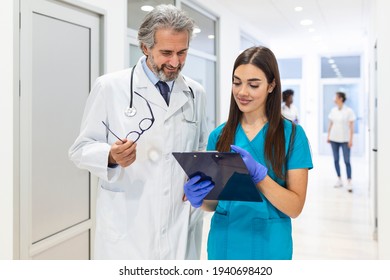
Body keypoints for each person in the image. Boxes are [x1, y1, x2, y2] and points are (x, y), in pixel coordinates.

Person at [68, 4, 208, 260]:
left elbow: (200, 149)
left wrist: (200, 181)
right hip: (128, 227)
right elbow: (80, 149)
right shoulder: (110, 87)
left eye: (182, 52)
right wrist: (110, 156)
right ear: (145, 48)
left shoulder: (195, 93)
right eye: (166, 52)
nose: (175, 62)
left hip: (179, 221)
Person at [183, 46, 313, 260]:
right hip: (224, 244)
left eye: (253, 85)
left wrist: (260, 177)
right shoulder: (219, 136)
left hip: (270, 245)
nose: (242, 92)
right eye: (236, 82)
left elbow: (295, 207)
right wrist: (199, 198)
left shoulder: (292, 136)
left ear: (271, 85)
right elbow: (213, 205)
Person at [327, 91, 356, 192]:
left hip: (345, 139)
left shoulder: (349, 111)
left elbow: (352, 127)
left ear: (341, 98)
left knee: (347, 161)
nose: (334, 98)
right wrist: (328, 136)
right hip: (334, 138)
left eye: (335, 96)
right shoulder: (333, 110)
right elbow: (330, 124)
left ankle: (349, 181)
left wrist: (351, 139)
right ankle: (339, 179)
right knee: (336, 160)